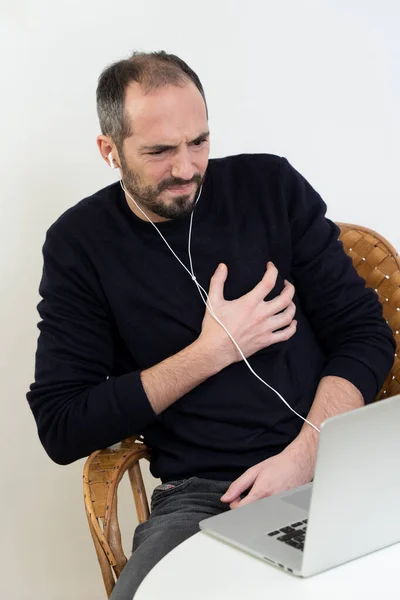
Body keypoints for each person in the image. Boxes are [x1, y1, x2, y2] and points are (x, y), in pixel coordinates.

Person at [27, 51, 395, 599]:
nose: (186, 168)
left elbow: (365, 331)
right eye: (158, 151)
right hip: (206, 497)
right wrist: (213, 350)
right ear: (110, 151)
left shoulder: (270, 185)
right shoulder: (80, 245)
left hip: (341, 459)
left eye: (198, 142)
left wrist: (305, 456)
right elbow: (63, 425)